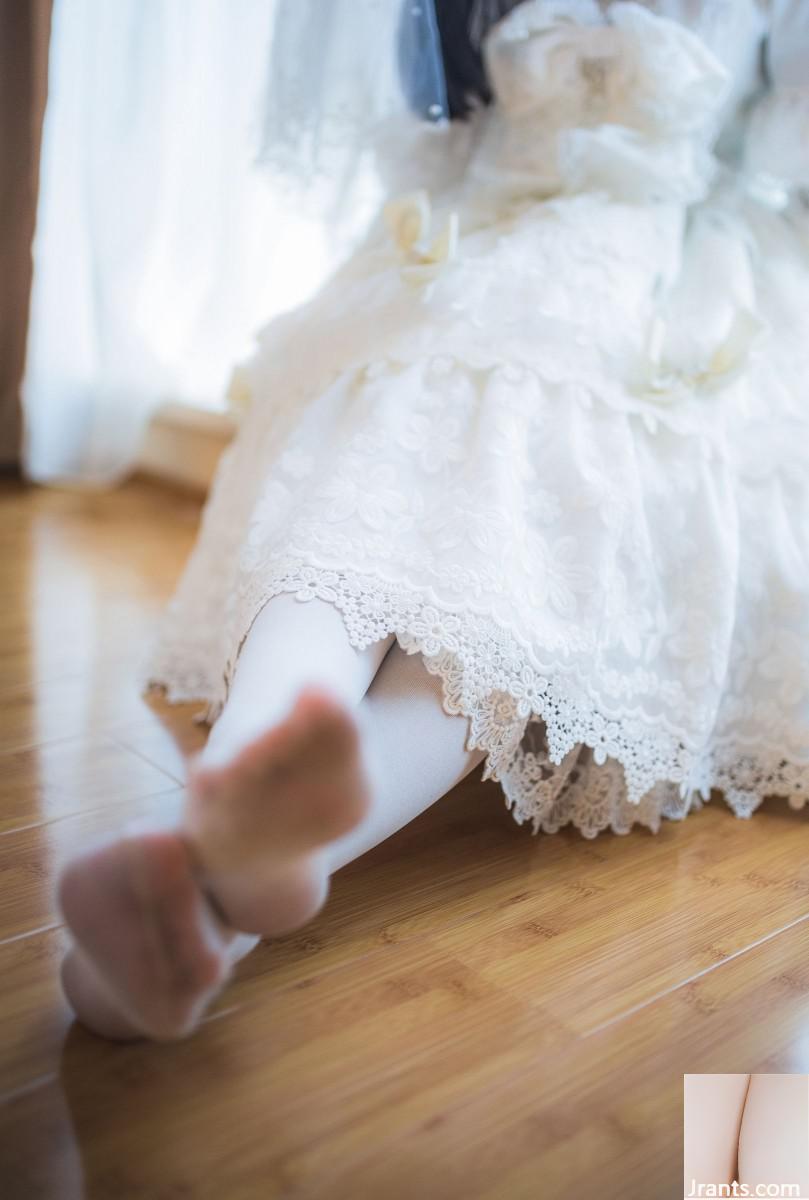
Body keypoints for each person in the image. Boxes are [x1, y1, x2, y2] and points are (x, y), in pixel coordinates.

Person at [57, 0, 809, 1041]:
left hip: (471, 248)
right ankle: (235, 866)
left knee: (364, 496)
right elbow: (785, 145)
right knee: (498, 592)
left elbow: (437, 110)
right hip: (642, 279)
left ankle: (220, 837)